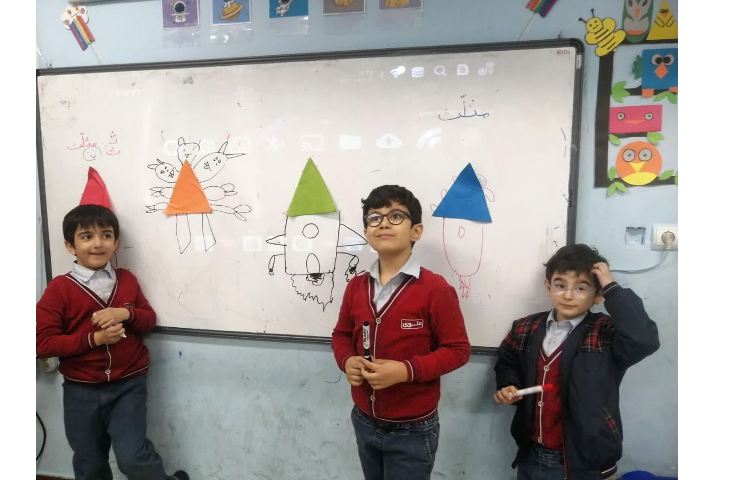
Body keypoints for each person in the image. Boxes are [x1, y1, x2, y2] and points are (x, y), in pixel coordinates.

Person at [36, 204, 189, 480]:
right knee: (90, 462)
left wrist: (126, 313)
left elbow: (148, 319)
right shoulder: (59, 289)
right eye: (87, 236)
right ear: (70, 246)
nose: (98, 243)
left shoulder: (127, 279)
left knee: (132, 457)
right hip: (81, 390)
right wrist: (94, 339)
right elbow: (42, 343)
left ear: (116, 242)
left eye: (106, 235)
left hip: (128, 385)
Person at [332, 185, 471, 480]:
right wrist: (347, 360)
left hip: (413, 428)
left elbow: (458, 350)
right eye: (374, 217)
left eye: (396, 216)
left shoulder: (435, 289)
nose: (383, 223)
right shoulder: (356, 286)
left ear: (416, 231)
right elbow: (341, 335)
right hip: (364, 419)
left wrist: (406, 371)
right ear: (367, 232)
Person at [494, 244, 660, 480]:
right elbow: (507, 360)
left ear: (597, 295)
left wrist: (611, 288)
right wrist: (508, 384)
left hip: (587, 461)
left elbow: (643, 339)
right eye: (560, 285)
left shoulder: (606, 332)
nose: (568, 295)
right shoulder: (525, 327)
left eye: (581, 288)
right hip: (531, 455)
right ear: (548, 286)